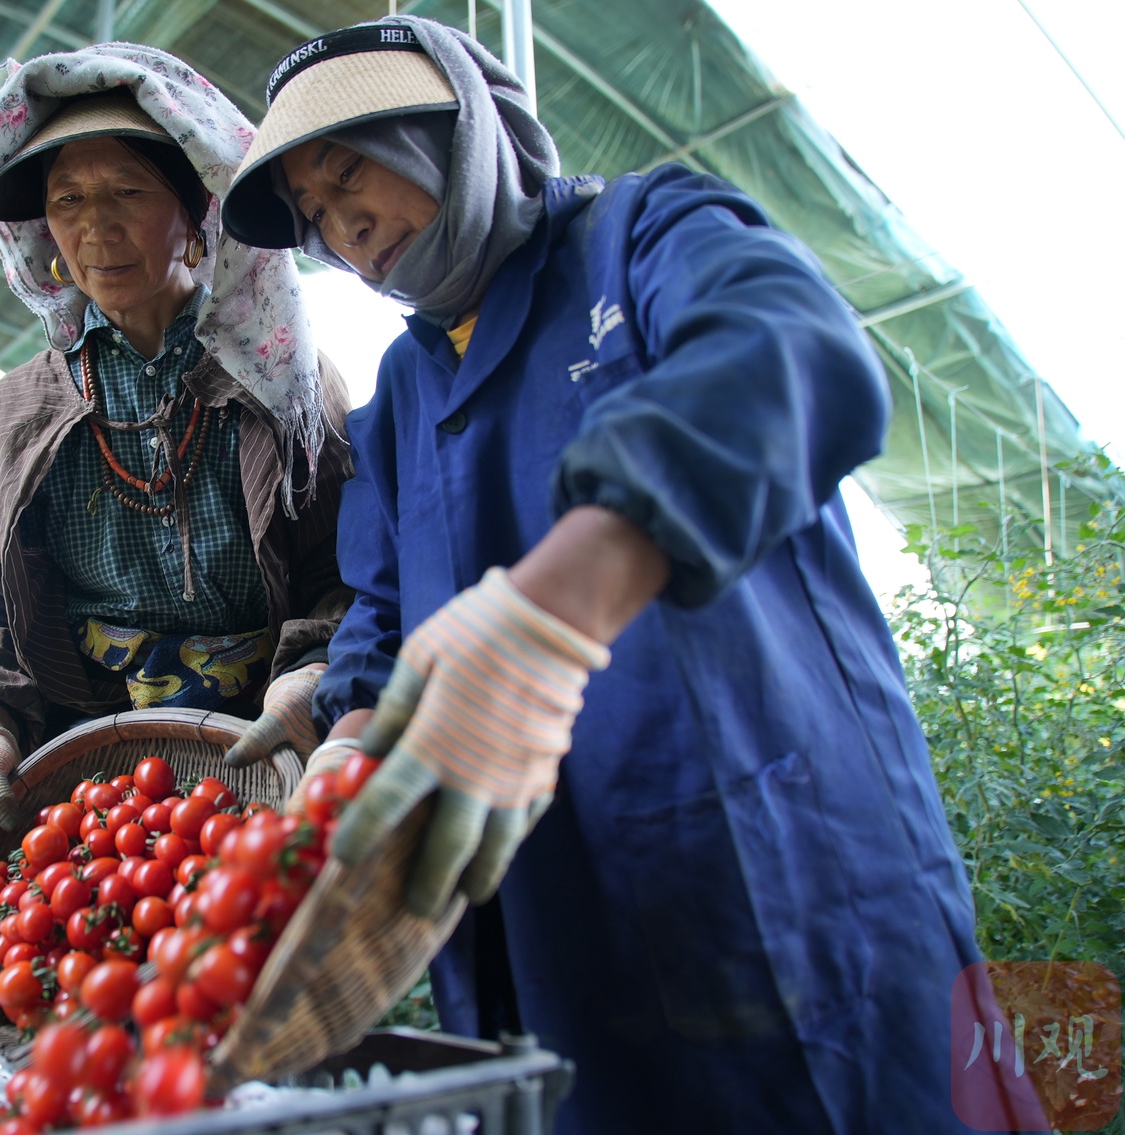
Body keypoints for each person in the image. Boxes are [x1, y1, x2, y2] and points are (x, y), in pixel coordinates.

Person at [221, 17, 1012, 1133]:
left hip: (770, 861)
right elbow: (382, 607)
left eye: (349, 171)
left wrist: (554, 608)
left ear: (454, 130)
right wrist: (347, 738)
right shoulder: (398, 397)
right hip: (548, 905)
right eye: (309, 211)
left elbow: (791, 349)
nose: (339, 227)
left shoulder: (639, 238)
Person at [0, 45, 353, 899]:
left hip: (263, 749)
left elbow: (344, 574)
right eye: (67, 201)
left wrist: (311, 678)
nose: (96, 227)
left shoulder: (286, 389)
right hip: (85, 773)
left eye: (127, 192)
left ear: (195, 217)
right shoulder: (7, 416)